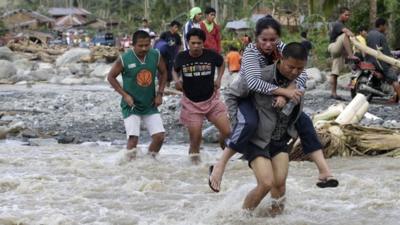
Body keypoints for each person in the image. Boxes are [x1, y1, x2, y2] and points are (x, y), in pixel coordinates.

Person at [209, 16, 338, 193]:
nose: (269, 44)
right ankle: (220, 165)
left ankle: (324, 171)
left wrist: (288, 92)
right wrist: (284, 92)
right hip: (244, 95)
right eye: (264, 40)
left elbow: (300, 72)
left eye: (273, 40)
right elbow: (253, 83)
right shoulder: (251, 53)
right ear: (256, 38)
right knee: (249, 123)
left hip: (269, 96)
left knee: (304, 121)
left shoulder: (282, 48)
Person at [226, 42, 308, 214]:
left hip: (279, 138)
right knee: (266, 183)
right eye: (290, 66)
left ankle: (275, 219)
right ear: (281, 59)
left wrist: (287, 94)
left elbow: (296, 111)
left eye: (299, 69)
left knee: (280, 184)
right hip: (257, 139)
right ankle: (242, 219)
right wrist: (236, 124)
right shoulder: (259, 76)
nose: (294, 72)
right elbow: (232, 93)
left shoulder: (299, 80)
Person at [173, 28, 230, 164]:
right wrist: (176, 80)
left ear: (203, 43)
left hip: (212, 101)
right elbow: (174, 70)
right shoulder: (182, 57)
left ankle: (224, 150)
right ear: (188, 43)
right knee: (196, 138)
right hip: (191, 103)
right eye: (193, 43)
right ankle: (194, 167)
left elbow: (221, 63)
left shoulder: (211, 55)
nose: (196, 46)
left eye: (199, 43)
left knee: (228, 132)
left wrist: (219, 78)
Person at [107, 30, 168, 159]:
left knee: (159, 137)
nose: (144, 48)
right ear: (133, 45)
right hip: (131, 105)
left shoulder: (155, 55)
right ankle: (130, 169)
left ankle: (148, 162)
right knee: (133, 139)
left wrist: (160, 93)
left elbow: (164, 72)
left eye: (147, 45)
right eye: (140, 45)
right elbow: (111, 77)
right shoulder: (124, 59)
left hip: (150, 103)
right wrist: (125, 95)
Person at [366, 18, 400, 104]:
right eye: (385, 26)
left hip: (370, 61)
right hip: (380, 63)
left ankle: (393, 96)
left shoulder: (369, 34)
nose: (386, 27)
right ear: (381, 26)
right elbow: (386, 53)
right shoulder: (381, 36)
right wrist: (392, 62)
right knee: (394, 78)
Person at [328, 7, 358, 100]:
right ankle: (351, 55)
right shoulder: (338, 24)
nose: (348, 17)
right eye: (346, 15)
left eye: (349, 15)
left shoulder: (342, 26)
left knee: (335, 73)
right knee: (345, 35)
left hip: (339, 51)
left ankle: (334, 93)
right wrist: (355, 39)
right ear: (340, 14)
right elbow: (347, 33)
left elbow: (346, 42)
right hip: (333, 47)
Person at [160, 20, 183, 86]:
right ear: (171, 27)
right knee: (163, 70)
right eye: (175, 27)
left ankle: (168, 85)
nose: (177, 29)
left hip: (172, 56)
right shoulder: (164, 34)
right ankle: (162, 86)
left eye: (178, 27)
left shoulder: (177, 36)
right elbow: (160, 44)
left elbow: (179, 46)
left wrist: (178, 54)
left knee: (170, 72)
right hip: (164, 56)